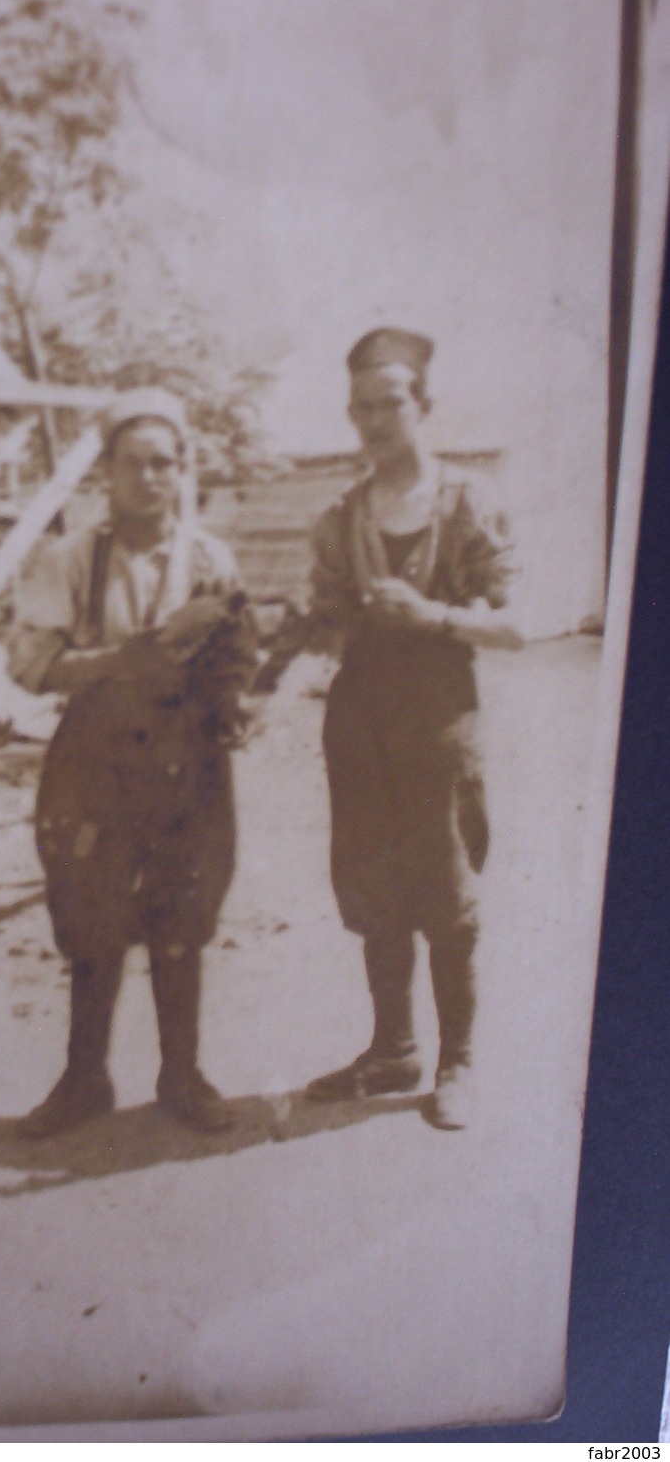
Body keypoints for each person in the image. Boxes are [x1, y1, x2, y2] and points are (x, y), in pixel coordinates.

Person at [9, 388, 259, 1137]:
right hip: (96, 756)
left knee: (181, 910)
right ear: (106, 475)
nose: (149, 478)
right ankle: (84, 1078)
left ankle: (180, 1075)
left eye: (163, 464)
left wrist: (232, 701)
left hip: (188, 760)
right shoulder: (71, 557)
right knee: (91, 913)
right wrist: (124, 660)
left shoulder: (210, 558)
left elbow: (237, 652)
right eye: (132, 464)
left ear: (182, 471)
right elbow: (33, 666)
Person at [305, 327, 522, 1131]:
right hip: (359, 720)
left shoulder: (464, 501)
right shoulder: (338, 517)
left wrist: (430, 614)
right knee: (371, 882)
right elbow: (325, 626)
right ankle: (391, 1048)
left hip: (438, 717)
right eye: (359, 405)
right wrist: (300, 631)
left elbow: (517, 623)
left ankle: (455, 1061)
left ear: (421, 404)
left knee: (446, 886)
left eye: (388, 401)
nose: (373, 419)